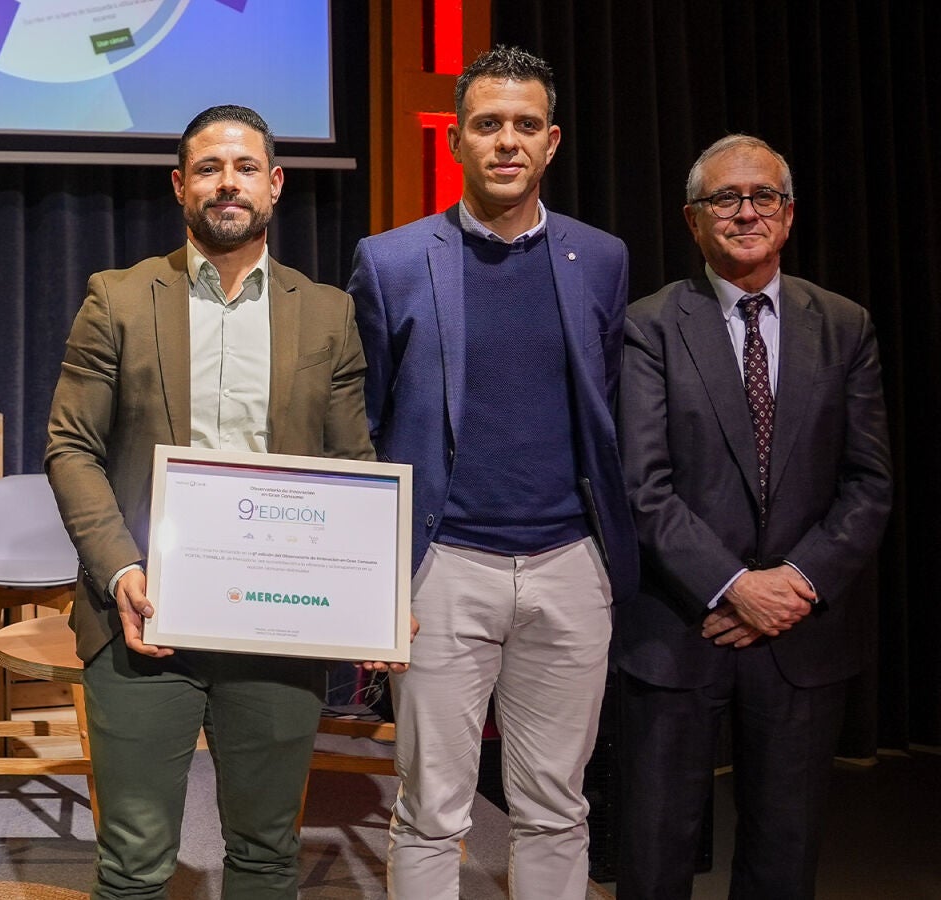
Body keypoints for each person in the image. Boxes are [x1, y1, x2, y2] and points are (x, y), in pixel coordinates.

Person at [45, 104, 389, 899]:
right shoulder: (118, 299)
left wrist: (373, 595)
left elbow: (351, 466)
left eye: (244, 168)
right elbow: (70, 447)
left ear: (275, 184)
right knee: (133, 863)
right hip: (142, 618)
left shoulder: (327, 312)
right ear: (180, 186)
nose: (226, 183)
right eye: (208, 168)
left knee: (267, 854)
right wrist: (121, 572)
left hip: (278, 625)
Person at [348, 46, 639, 898]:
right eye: (487, 124)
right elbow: (363, 428)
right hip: (442, 570)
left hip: (570, 567)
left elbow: (608, 407)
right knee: (431, 811)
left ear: (552, 141)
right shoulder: (391, 260)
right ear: (455, 140)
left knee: (557, 807)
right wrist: (378, 580)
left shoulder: (603, 258)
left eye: (524, 125)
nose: (507, 141)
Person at [613, 135, 892, 899]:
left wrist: (791, 586)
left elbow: (868, 483)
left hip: (801, 634)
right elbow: (642, 485)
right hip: (680, 627)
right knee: (654, 858)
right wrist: (735, 586)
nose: (746, 213)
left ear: (788, 214)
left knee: (782, 863)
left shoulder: (845, 325)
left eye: (763, 196)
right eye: (724, 199)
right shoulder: (648, 326)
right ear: (692, 220)